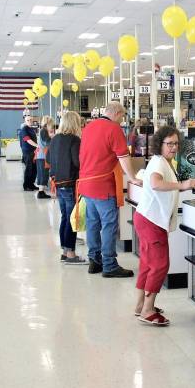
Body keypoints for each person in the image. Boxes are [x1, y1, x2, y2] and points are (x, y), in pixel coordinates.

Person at [134, 126, 195, 326]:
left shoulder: (166, 162)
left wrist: (190, 183)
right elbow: (156, 183)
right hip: (152, 221)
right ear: (160, 144)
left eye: (176, 143)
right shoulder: (159, 162)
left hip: (149, 218)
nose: (174, 147)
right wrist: (183, 185)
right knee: (160, 265)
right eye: (169, 144)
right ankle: (148, 310)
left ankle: (141, 305)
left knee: (147, 263)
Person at [79, 101, 142, 277]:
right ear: (117, 113)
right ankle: (109, 265)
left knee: (92, 223)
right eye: (122, 116)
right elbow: (123, 157)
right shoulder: (114, 129)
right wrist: (133, 178)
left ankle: (95, 260)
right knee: (109, 225)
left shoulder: (88, 128)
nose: (122, 120)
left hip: (86, 183)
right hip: (103, 185)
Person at [47, 111, 87, 265]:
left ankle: (65, 251)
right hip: (70, 184)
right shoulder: (74, 140)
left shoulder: (55, 139)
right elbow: (77, 162)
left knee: (65, 217)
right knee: (72, 219)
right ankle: (70, 253)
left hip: (58, 184)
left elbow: (50, 159)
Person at [35, 116, 54, 199]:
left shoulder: (42, 130)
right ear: (48, 123)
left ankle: (41, 190)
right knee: (43, 173)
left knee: (41, 173)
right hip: (43, 156)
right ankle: (41, 192)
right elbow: (47, 142)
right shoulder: (44, 131)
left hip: (40, 155)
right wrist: (53, 137)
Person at [19, 115, 39, 191]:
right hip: (27, 152)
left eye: (31, 120)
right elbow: (27, 140)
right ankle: (26, 185)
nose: (30, 121)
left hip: (33, 152)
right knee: (29, 169)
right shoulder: (24, 129)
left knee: (34, 169)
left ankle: (31, 184)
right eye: (28, 120)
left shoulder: (31, 129)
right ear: (25, 121)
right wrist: (37, 146)